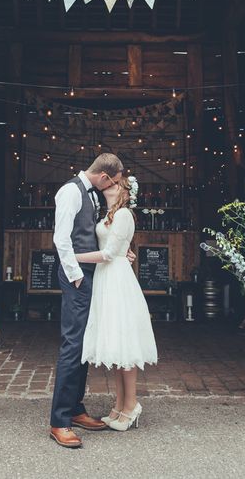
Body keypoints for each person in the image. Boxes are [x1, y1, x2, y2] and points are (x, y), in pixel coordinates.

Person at [49, 153, 128, 449]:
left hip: (91, 273)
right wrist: (75, 275)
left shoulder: (91, 192)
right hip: (77, 275)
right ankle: (59, 421)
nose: (114, 187)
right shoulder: (70, 191)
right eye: (114, 182)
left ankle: (75, 408)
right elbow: (61, 238)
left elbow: (93, 235)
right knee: (72, 344)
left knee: (84, 341)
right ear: (105, 177)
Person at [76, 175, 158, 432]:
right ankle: (120, 403)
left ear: (123, 189)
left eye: (113, 184)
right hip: (106, 278)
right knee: (115, 344)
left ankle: (131, 404)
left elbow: (111, 253)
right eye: (107, 183)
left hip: (117, 278)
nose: (107, 187)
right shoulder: (109, 213)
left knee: (125, 343)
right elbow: (118, 247)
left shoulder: (123, 215)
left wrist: (73, 256)